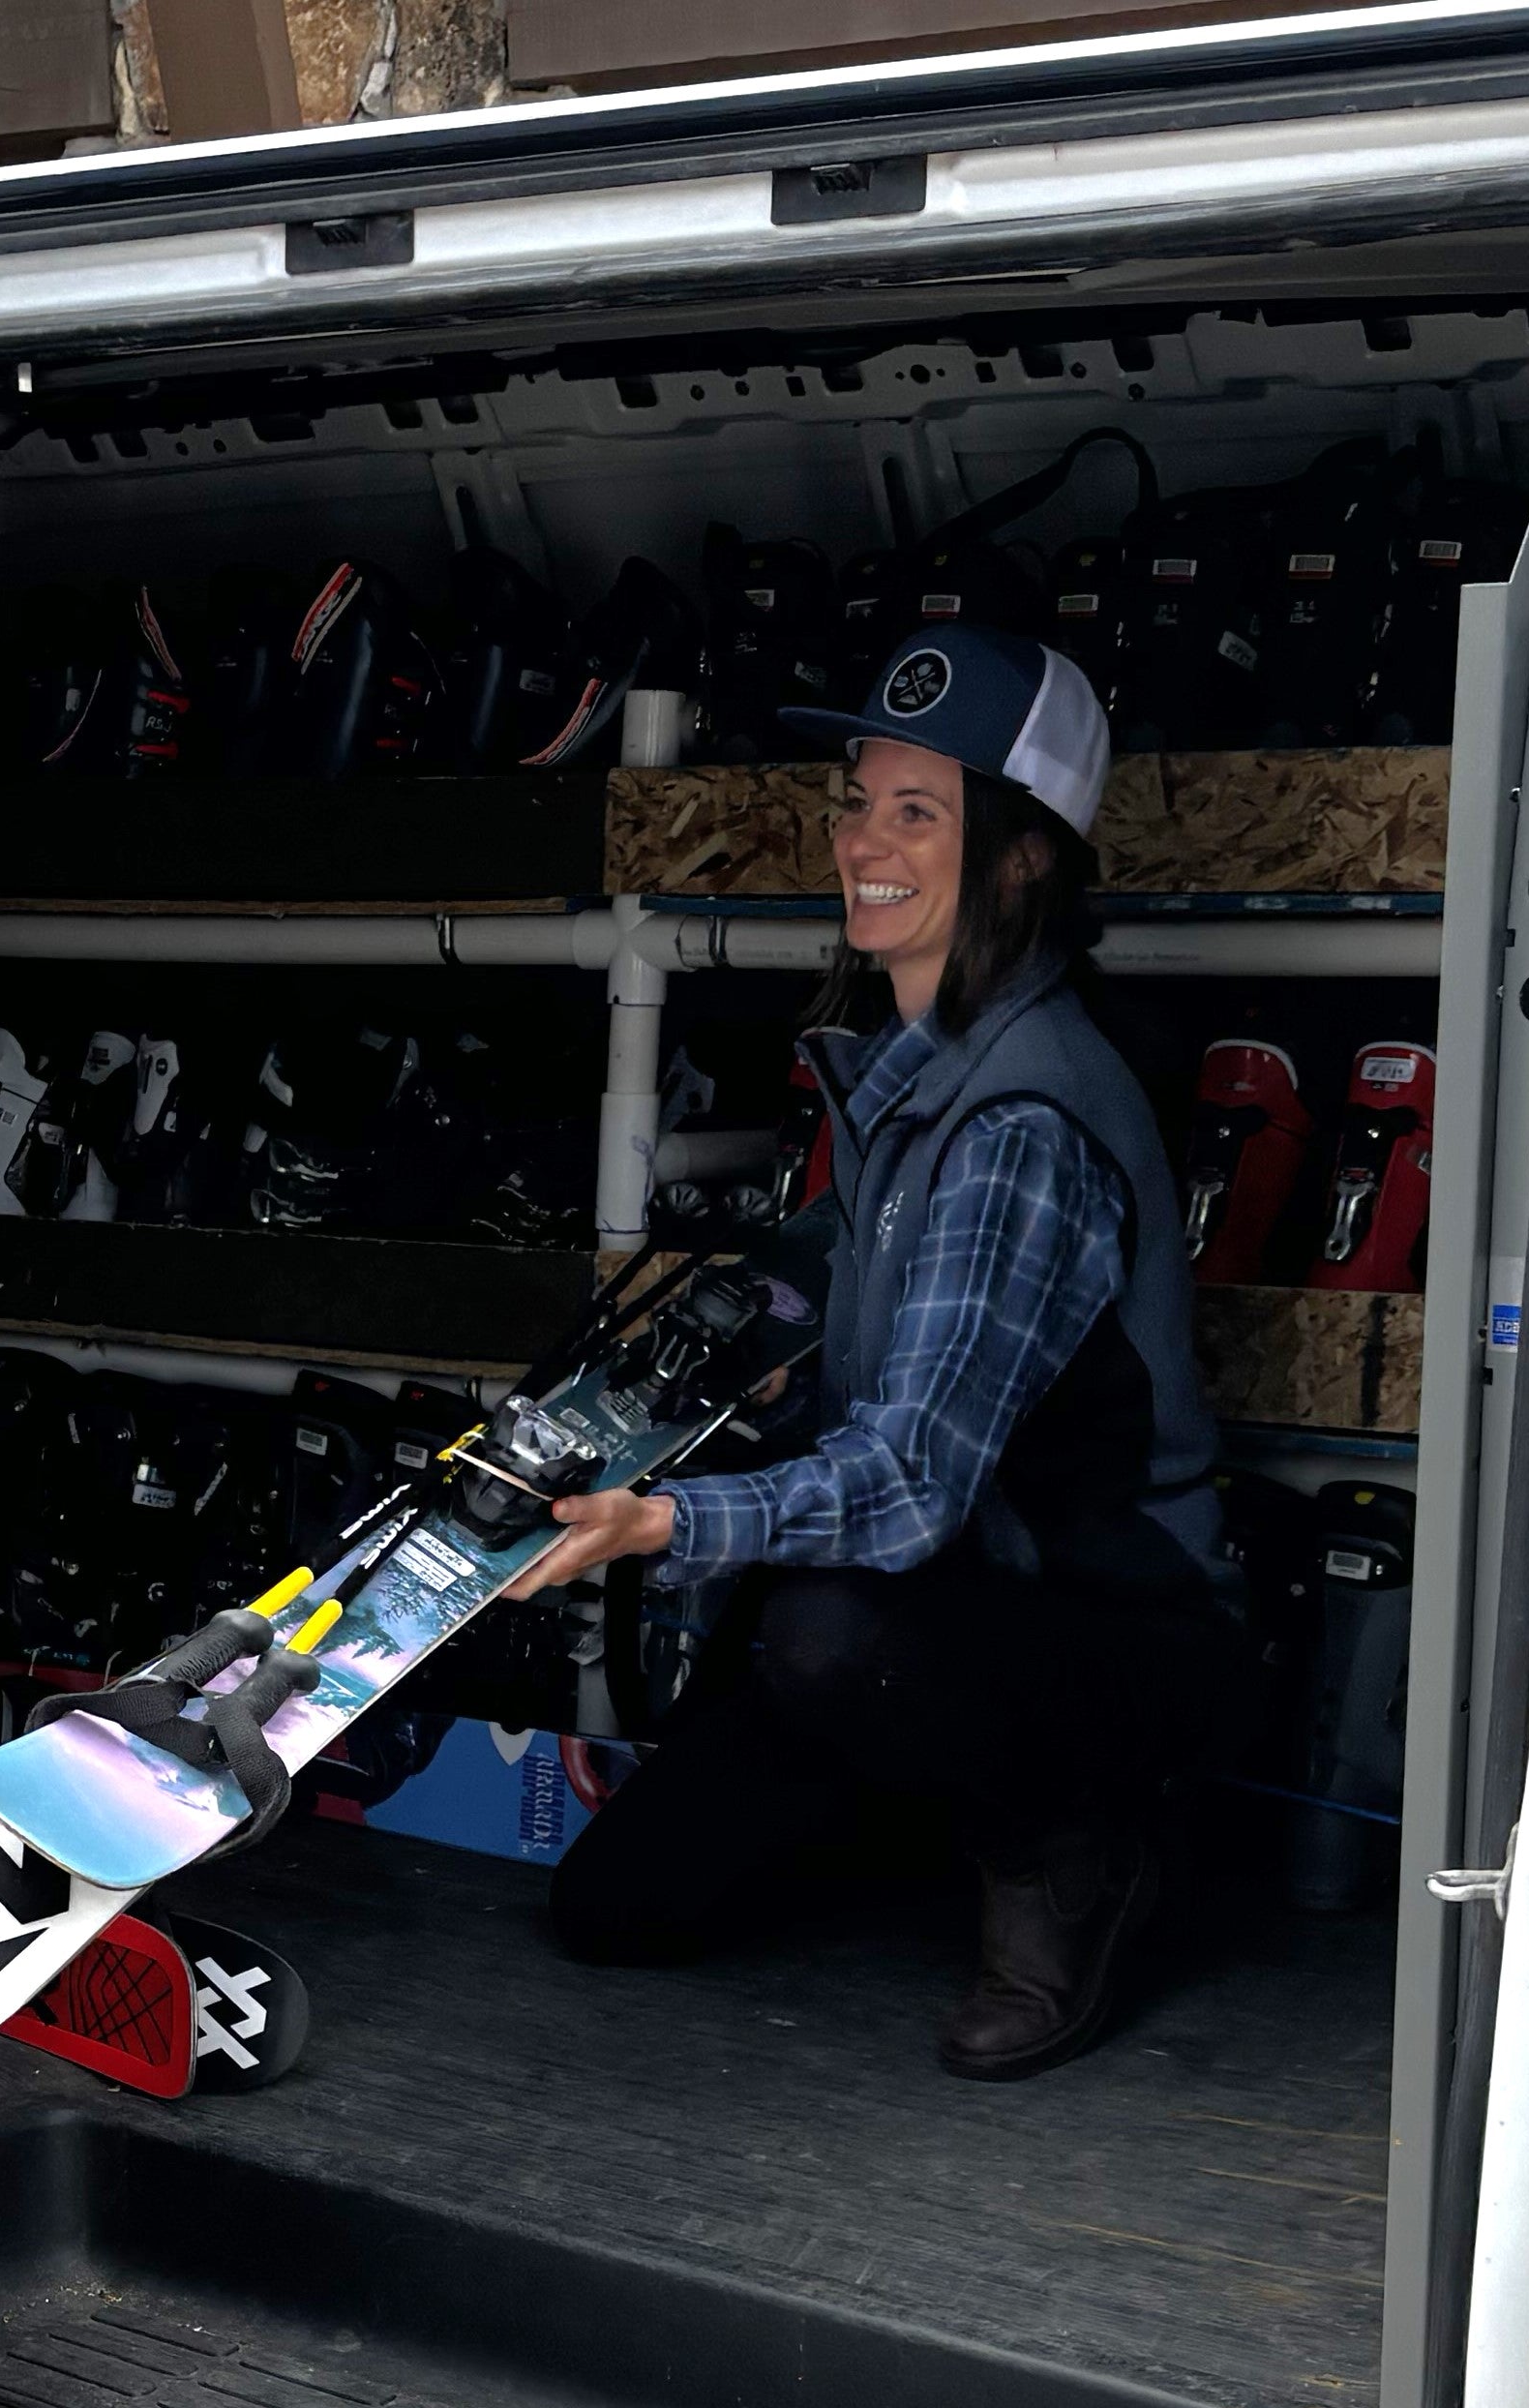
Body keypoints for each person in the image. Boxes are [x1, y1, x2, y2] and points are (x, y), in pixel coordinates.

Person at [523, 623, 1244, 2080]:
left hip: (1104, 1635)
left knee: (824, 1633)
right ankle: (923, 1807)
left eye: (920, 812)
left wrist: (659, 1520)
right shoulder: (906, 1078)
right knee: (618, 1909)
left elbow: (913, 1482)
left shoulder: (1021, 1124)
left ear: (1024, 855)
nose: (864, 839)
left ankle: (1072, 1856)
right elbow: (833, 1316)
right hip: (950, 1615)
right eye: (859, 799)